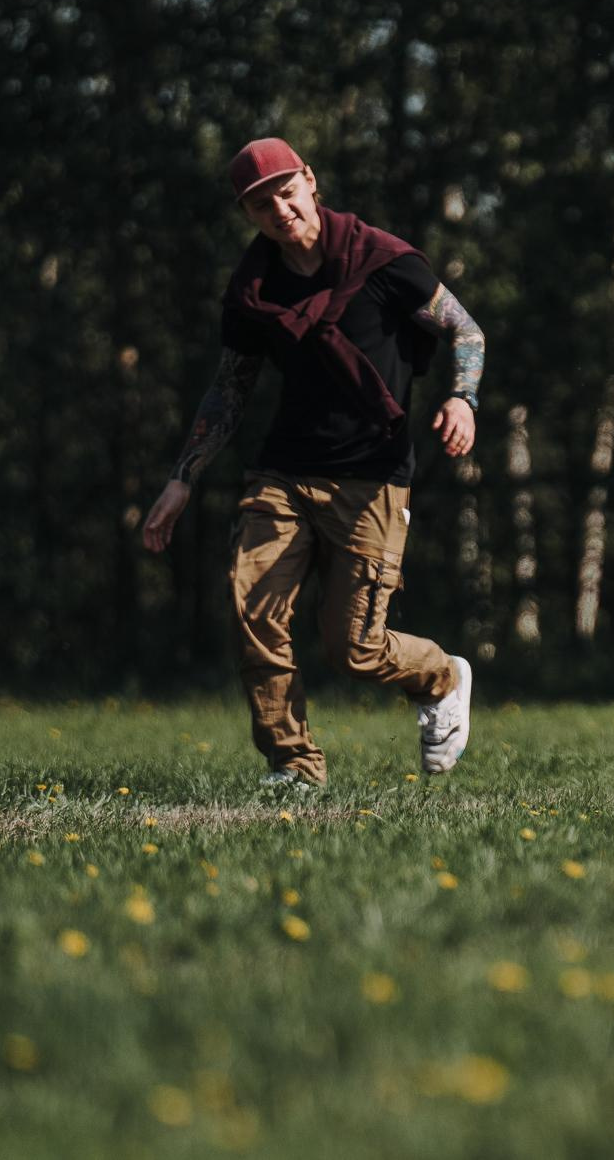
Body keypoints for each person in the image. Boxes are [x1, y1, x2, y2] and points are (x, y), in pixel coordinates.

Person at [141, 138, 485, 787]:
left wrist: (463, 399)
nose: (278, 209)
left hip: (373, 476)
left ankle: (443, 677)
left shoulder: (383, 260)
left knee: (353, 648)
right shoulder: (254, 288)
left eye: (284, 191)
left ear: (309, 182)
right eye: (260, 203)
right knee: (254, 607)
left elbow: (465, 329)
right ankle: (294, 764)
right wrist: (182, 476)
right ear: (249, 215)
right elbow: (231, 385)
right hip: (285, 473)